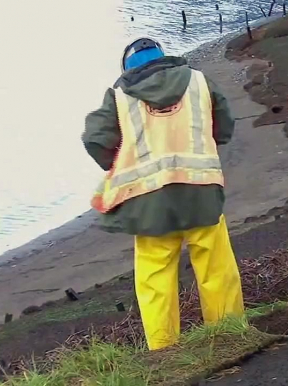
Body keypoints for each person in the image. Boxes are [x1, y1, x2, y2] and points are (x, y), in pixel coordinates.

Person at [82, 37, 244, 351]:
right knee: (216, 267)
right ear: (164, 57)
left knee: (155, 278)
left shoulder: (118, 98)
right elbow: (223, 128)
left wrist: (119, 158)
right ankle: (230, 337)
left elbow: (95, 140)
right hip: (202, 192)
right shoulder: (199, 82)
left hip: (148, 203)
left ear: (127, 69)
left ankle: (164, 351)